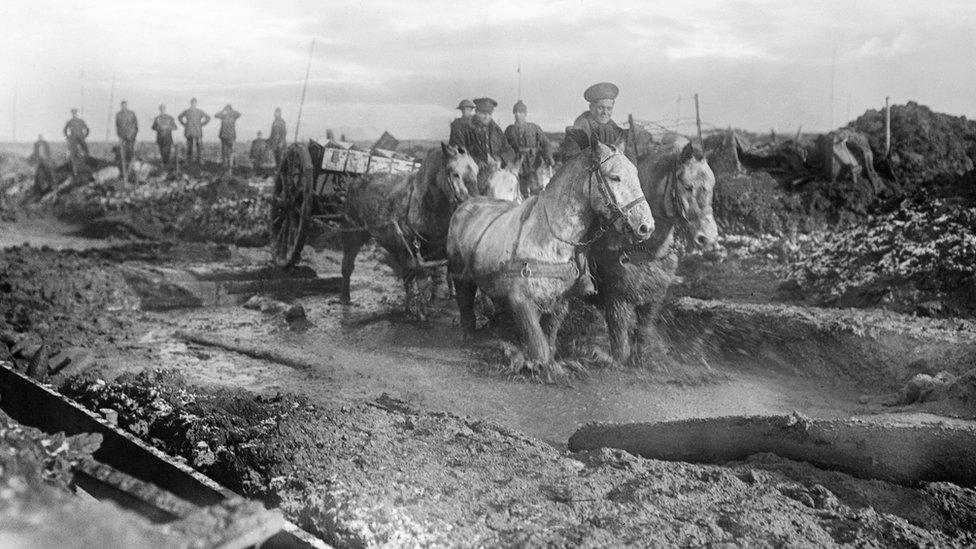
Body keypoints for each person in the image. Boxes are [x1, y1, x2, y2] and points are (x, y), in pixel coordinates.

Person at [449, 97, 516, 172]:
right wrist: (477, 161)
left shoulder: (496, 130)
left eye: (489, 114)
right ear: (477, 112)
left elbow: (510, 151)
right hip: (471, 174)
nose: (487, 117)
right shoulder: (464, 128)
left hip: (495, 173)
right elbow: (457, 153)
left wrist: (498, 159)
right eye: (483, 113)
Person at [504, 100, 554, 166]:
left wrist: (548, 156)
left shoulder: (534, 128)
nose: (518, 115)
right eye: (515, 112)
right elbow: (504, 147)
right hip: (516, 164)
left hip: (533, 163)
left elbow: (546, 143)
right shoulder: (509, 130)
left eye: (520, 112)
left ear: (525, 114)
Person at [178, 98, 210, 164]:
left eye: (195, 103)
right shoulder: (187, 111)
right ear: (191, 103)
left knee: (199, 146)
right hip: (189, 131)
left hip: (197, 131)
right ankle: (188, 160)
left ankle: (200, 160)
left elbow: (208, 118)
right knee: (189, 146)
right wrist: (184, 124)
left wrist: (201, 124)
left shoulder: (199, 111)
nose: (193, 104)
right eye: (192, 103)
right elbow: (179, 117)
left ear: (196, 103)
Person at [214, 104, 241, 169]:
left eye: (229, 109)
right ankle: (225, 164)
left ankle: (232, 164)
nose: (228, 110)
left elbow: (239, 114)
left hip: (230, 136)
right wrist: (223, 110)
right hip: (224, 136)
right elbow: (216, 115)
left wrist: (231, 110)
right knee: (224, 151)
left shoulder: (233, 116)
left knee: (231, 151)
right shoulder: (223, 116)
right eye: (227, 109)